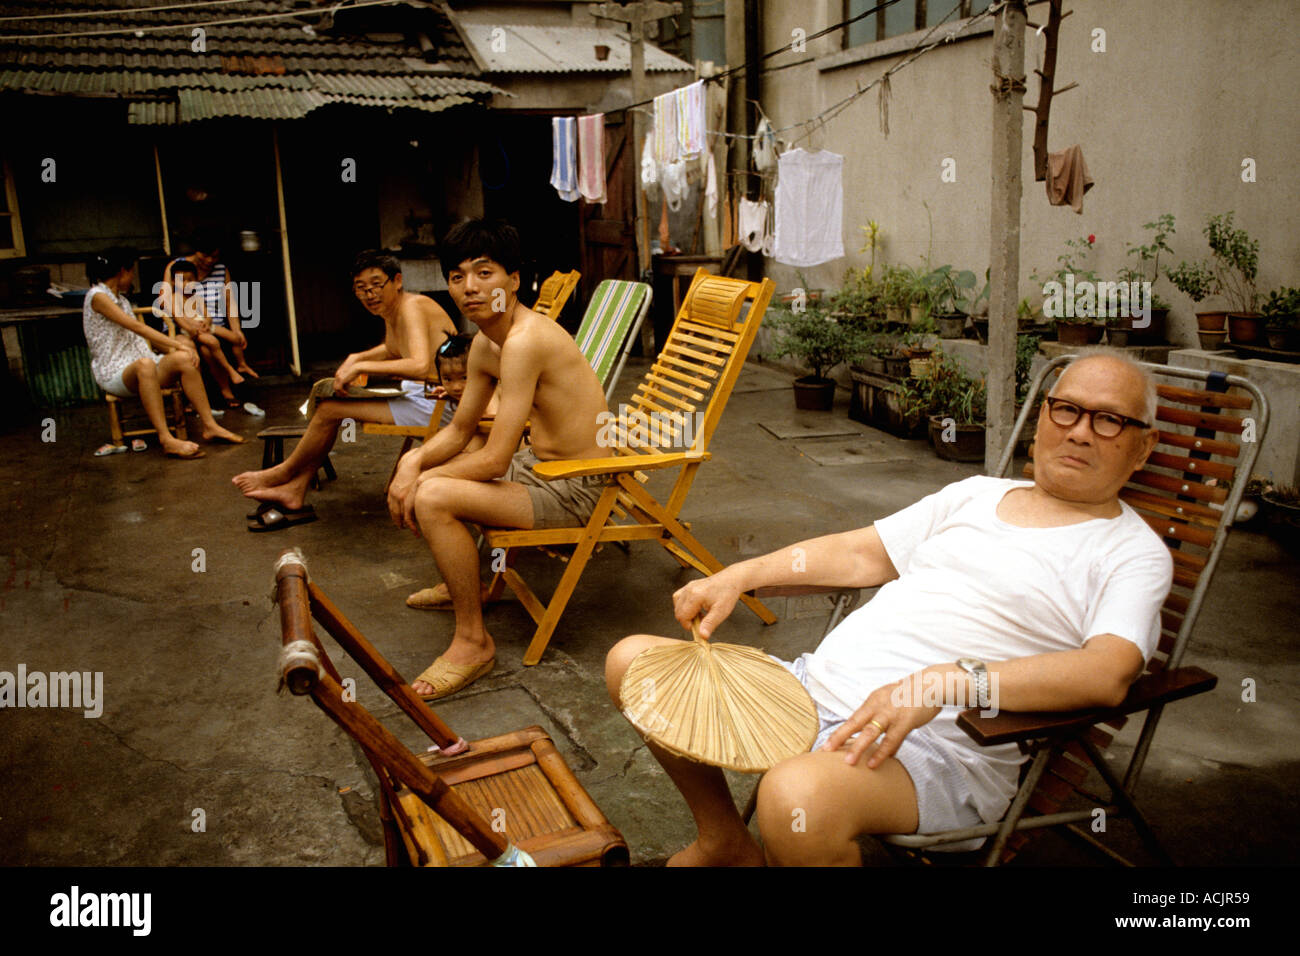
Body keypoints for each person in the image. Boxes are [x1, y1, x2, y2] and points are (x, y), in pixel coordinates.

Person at [605, 352, 1172, 866]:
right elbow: (859, 554)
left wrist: (943, 683)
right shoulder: (973, 494)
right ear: (1044, 416)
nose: (1079, 432)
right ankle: (724, 841)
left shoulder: (1131, 553)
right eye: (1067, 410)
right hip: (809, 693)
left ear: (1143, 446)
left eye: (1109, 419)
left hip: (940, 749)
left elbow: (1107, 674)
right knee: (634, 664)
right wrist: (740, 575)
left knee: (794, 797)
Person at [386, 220, 610, 699]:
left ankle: (473, 642)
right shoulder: (487, 343)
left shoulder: (527, 341)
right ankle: (470, 581)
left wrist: (420, 479)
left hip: (578, 487)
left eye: (484, 273)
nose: (469, 287)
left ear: (514, 281)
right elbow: (462, 429)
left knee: (434, 498)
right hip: (539, 469)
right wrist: (411, 464)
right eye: (457, 276)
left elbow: (493, 460)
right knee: (435, 471)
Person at [232, 251, 457, 524]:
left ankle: (283, 473)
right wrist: (357, 358)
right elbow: (392, 348)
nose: (370, 294)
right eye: (361, 288)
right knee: (330, 407)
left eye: (376, 284)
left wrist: (362, 367)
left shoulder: (412, 306)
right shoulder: (394, 310)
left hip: (442, 403)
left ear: (397, 280)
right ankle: (294, 489)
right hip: (420, 396)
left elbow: (420, 364)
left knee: (329, 411)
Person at [83, 247, 244, 458]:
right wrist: (177, 344)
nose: (132, 277)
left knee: (183, 360)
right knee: (146, 364)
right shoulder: (98, 296)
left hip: (142, 365)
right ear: (123, 271)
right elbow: (138, 328)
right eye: (131, 272)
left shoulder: (120, 300)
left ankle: (210, 425)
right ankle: (166, 438)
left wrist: (181, 349)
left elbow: (141, 339)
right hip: (115, 373)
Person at [165, 228, 255, 406]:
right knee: (187, 347)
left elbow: (230, 303)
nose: (209, 261)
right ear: (195, 251)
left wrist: (236, 329)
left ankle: (226, 391)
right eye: (205, 255)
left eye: (214, 256)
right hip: (182, 324)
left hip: (209, 324)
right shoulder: (178, 268)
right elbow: (166, 300)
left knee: (210, 348)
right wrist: (188, 323)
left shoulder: (221, 270)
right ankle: (194, 398)